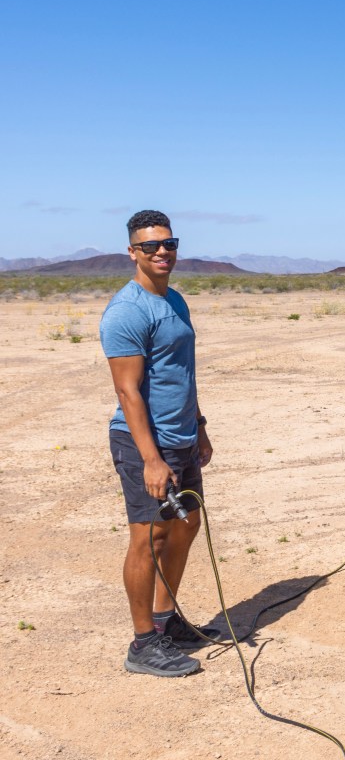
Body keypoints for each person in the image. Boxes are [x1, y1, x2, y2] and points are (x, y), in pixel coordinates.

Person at [100, 210, 218, 677]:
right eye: (150, 246)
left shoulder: (175, 301)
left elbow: (183, 375)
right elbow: (128, 391)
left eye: (168, 244)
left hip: (183, 437)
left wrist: (200, 425)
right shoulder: (127, 311)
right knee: (149, 538)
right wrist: (151, 458)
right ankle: (142, 642)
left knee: (186, 524)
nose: (162, 252)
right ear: (133, 252)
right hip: (143, 443)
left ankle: (166, 620)